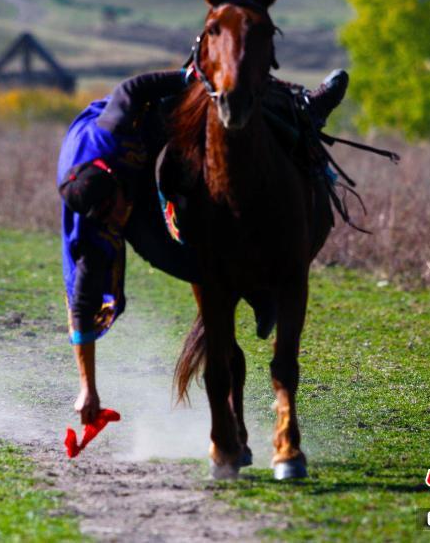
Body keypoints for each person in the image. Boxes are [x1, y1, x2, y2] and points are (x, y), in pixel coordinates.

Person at [57, 68, 348, 424]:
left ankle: (306, 110)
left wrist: (191, 77)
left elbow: (133, 87)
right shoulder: (94, 229)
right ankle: (250, 294)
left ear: (115, 182)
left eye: (113, 209)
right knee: (189, 261)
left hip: (144, 135)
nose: (114, 219)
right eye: (106, 219)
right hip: (133, 190)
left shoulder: (116, 125)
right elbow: (83, 306)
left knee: (211, 101)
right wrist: (88, 387)